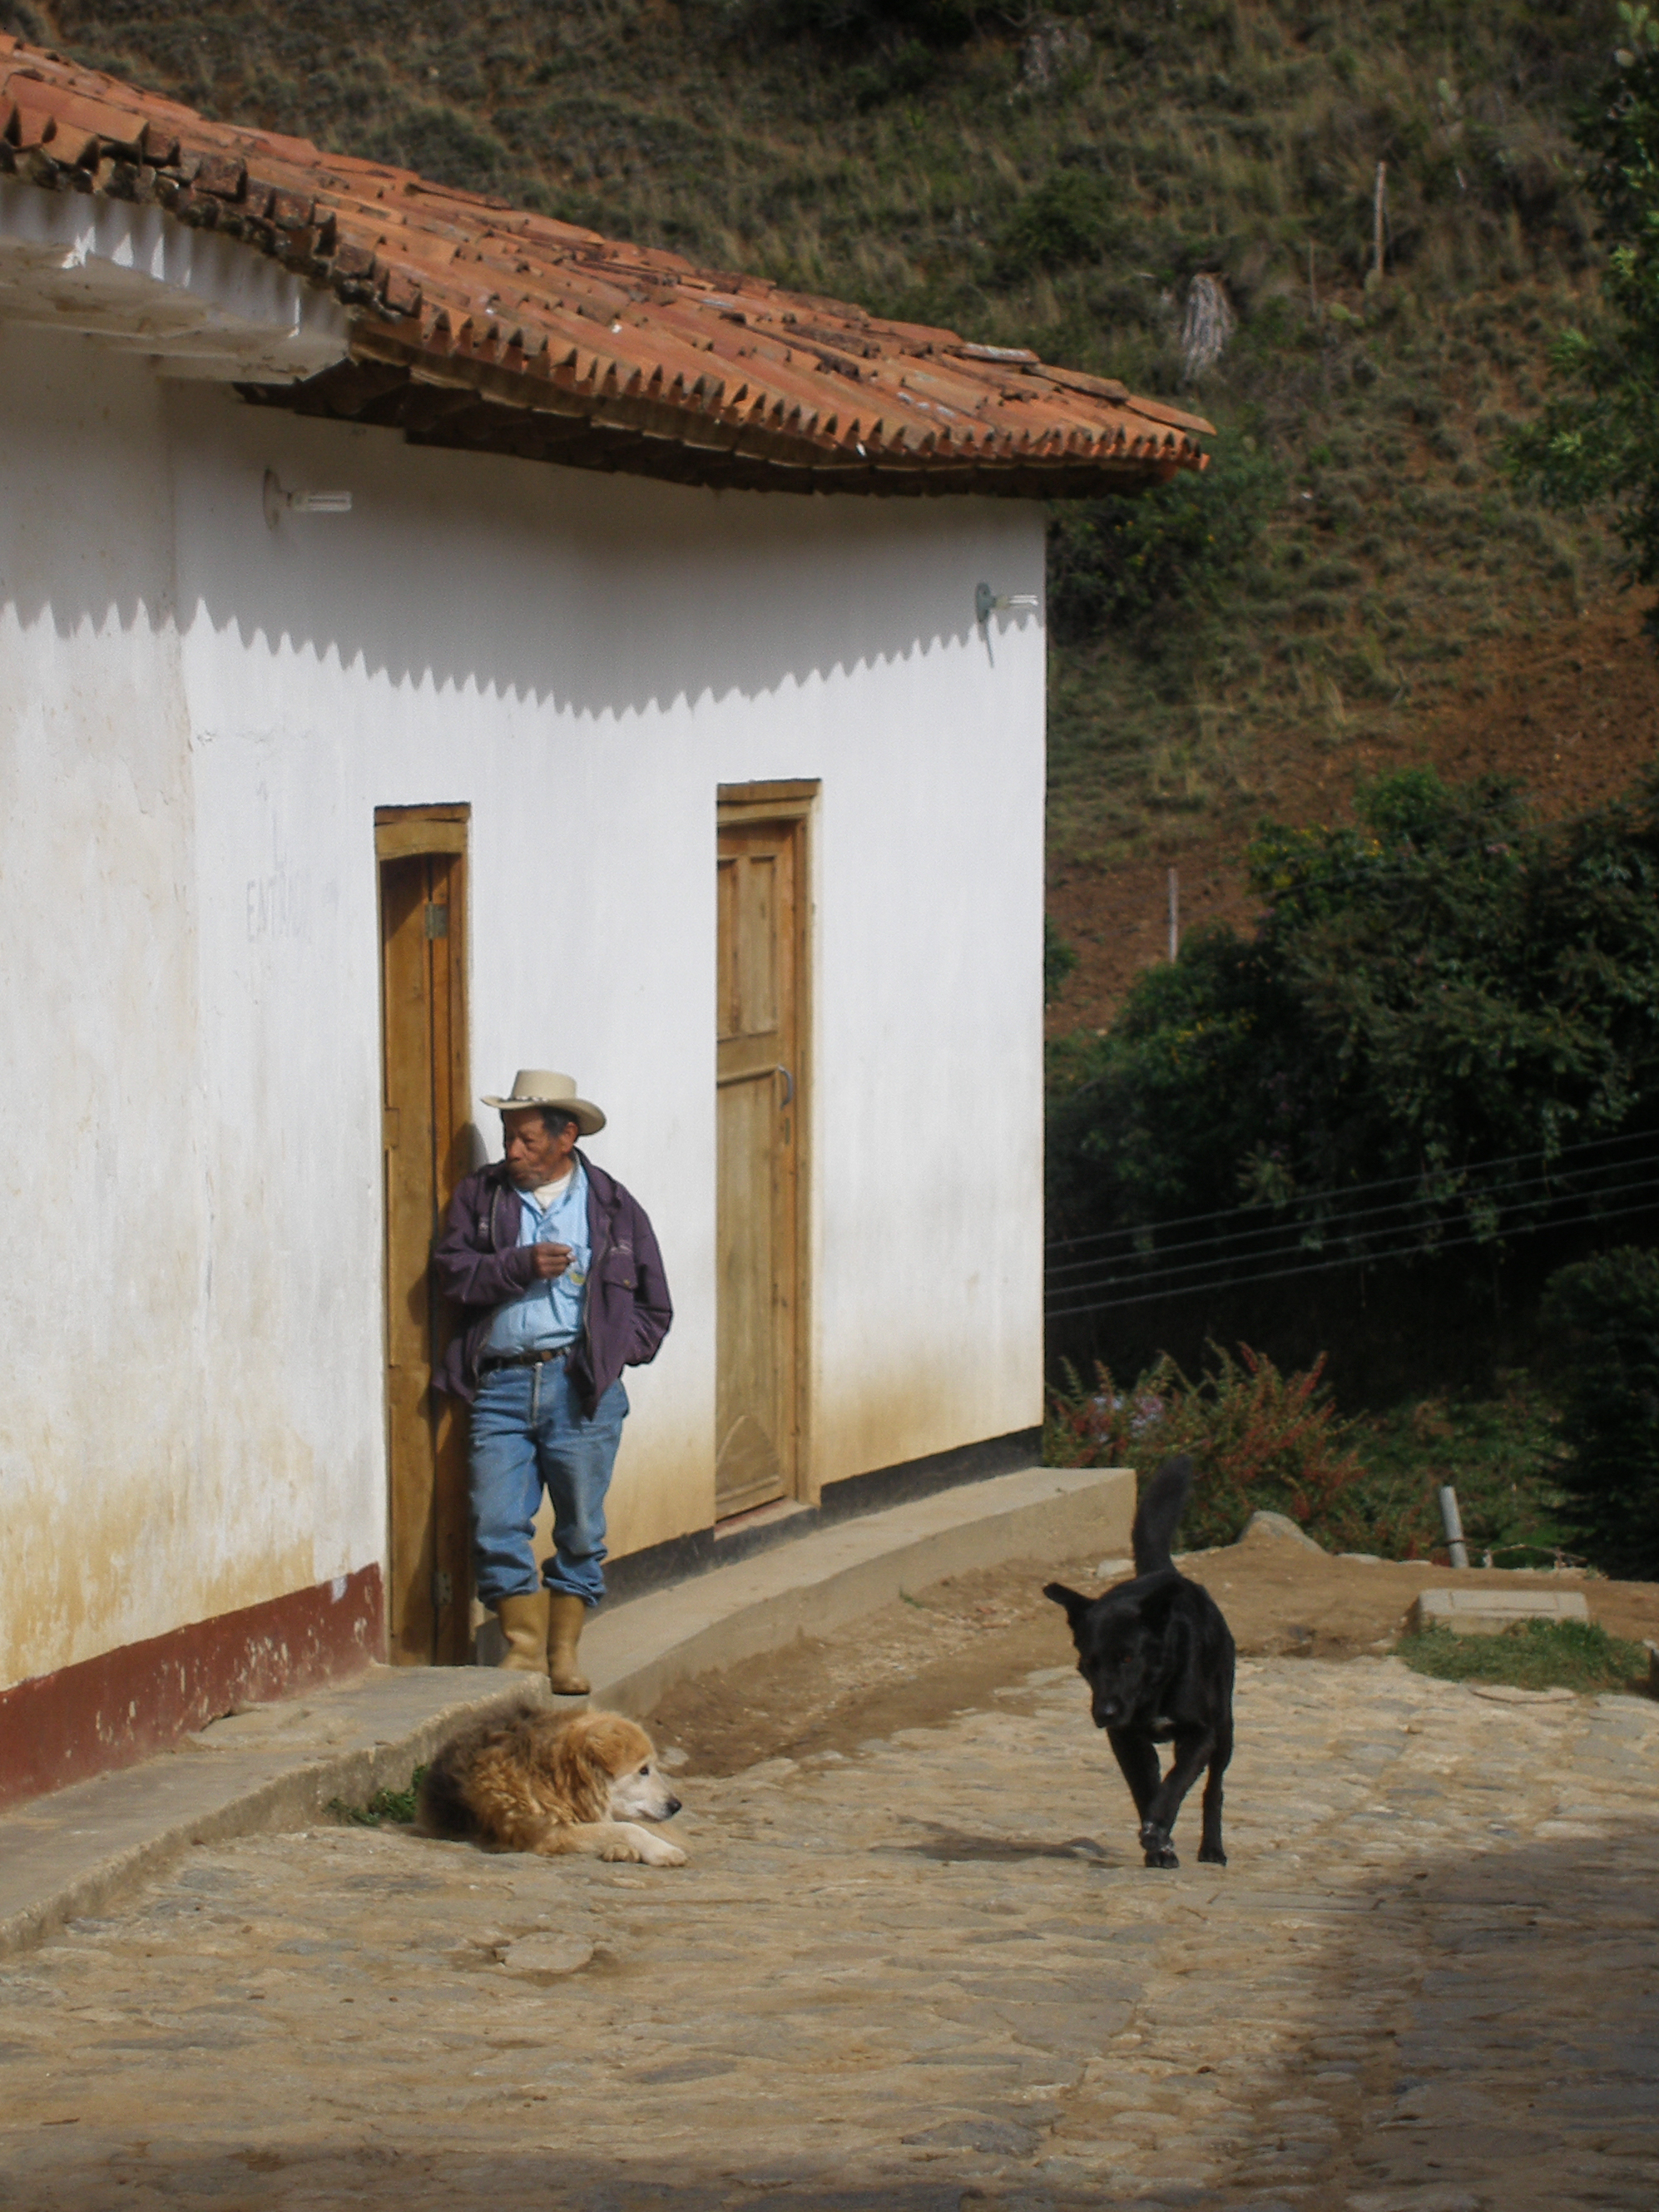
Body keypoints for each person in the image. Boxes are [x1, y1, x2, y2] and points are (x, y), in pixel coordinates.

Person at [433, 1071, 672, 1694]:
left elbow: (654, 1305)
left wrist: (615, 1353)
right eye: (508, 1137)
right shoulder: (480, 1198)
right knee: (495, 1519)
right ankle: (522, 1649)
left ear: (567, 1136)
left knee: (582, 1530)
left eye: (527, 1139)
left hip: (583, 1387)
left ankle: (563, 1654)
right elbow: (450, 1275)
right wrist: (515, 1265)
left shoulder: (614, 1206)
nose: (512, 1150)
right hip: (502, 1386)